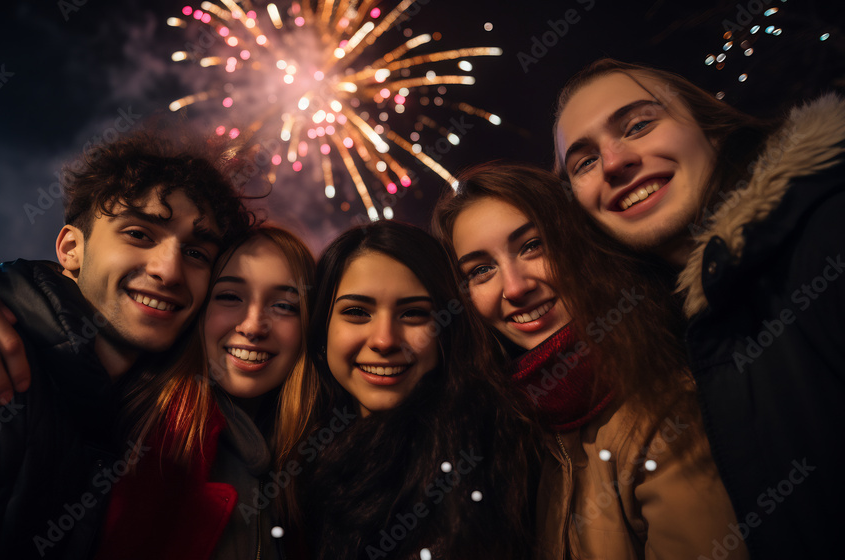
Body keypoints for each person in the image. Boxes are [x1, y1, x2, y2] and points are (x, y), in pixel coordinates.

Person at [0, 130, 253, 558]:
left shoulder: (135, 406)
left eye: (196, 254)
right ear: (72, 248)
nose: (168, 270)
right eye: (139, 234)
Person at [553, 58, 845, 557]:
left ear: (711, 126)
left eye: (640, 124)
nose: (614, 161)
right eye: (583, 162)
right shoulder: (669, 333)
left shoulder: (825, 235)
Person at [434, 162, 745, 559]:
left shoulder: (667, 415)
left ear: (580, 244)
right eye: (481, 270)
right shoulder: (516, 426)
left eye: (533, 246)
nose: (515, 287)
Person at [294, 220, 538, 560]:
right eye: (356, 312)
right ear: (322, 330)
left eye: (413, 314)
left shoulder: (494, 452)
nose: (384, 340)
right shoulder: (296, 456)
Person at [94, 225, 317, 559]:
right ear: (198, 310)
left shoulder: (322, 452)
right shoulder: (130, 421)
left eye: (284, 305)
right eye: (229, 297)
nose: (253, 325)